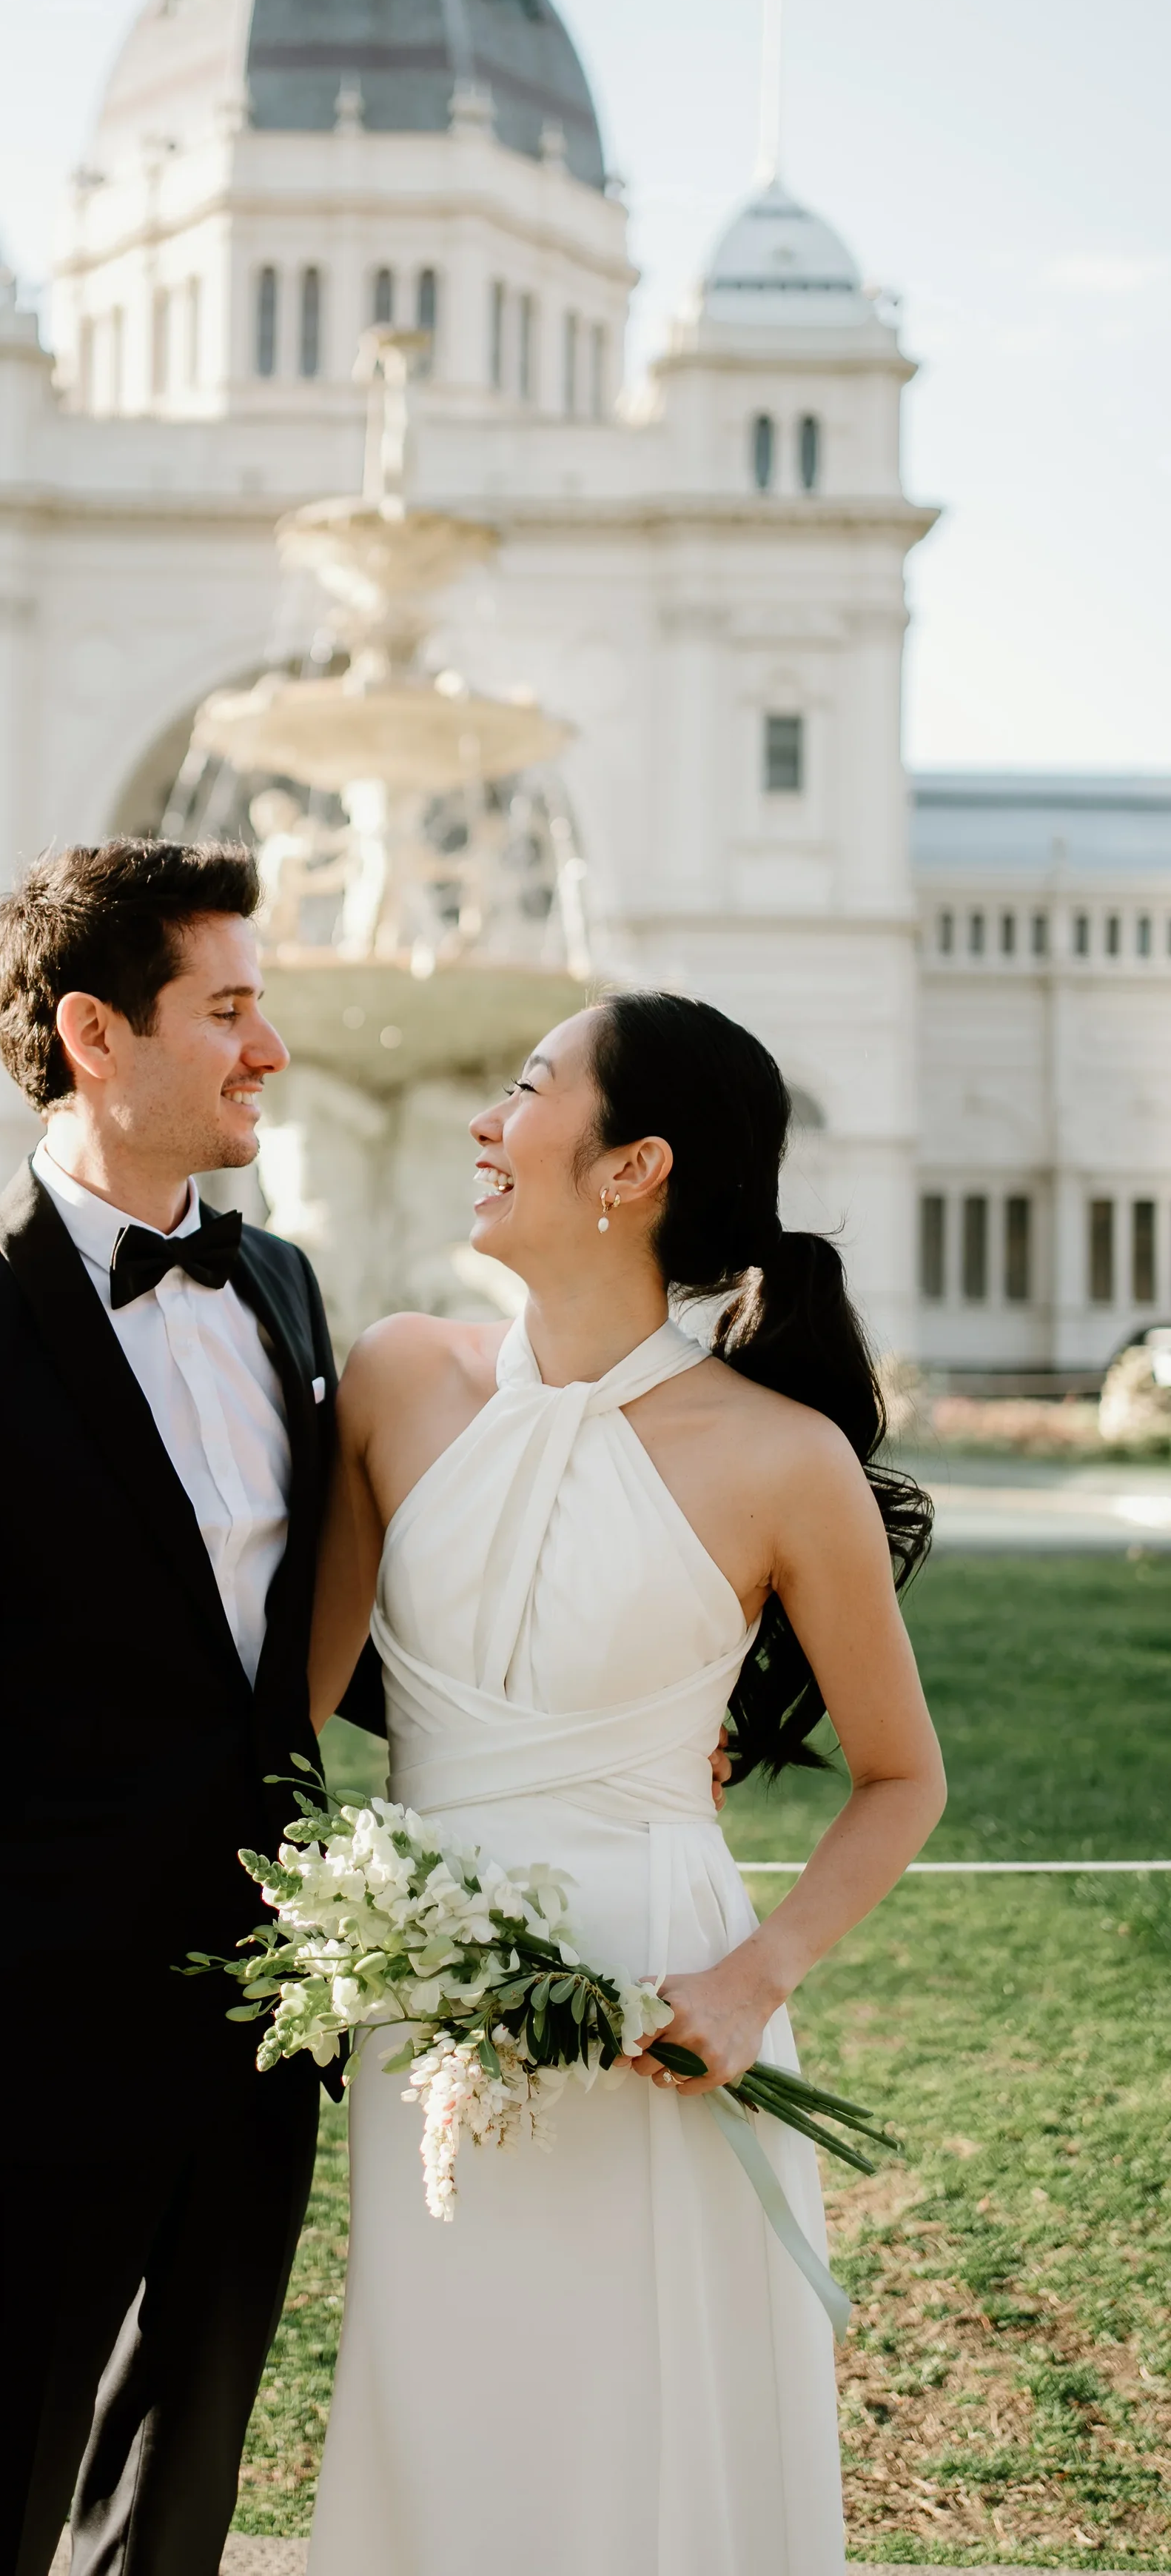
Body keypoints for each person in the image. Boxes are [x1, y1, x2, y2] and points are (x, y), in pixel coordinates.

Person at [303, 991, 946, 2576]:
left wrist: (749, 1980)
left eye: (524, 1089)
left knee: (641, 2429)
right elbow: (288, 1709)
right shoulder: (394, 1378)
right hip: (422, 1999)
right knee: (444, 2408)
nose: (481, 1120)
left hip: (663, 2001)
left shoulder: (780, 1459)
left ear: (628, 1165)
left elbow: (897, 1778)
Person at [0, 839, 340, 2576]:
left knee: (167, 2530)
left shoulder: (280, 1290)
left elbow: (287, 1627)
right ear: (94, 1035)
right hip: (17, 2077)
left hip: (259, 2050)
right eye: (228, 1011)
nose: (267, 1050)